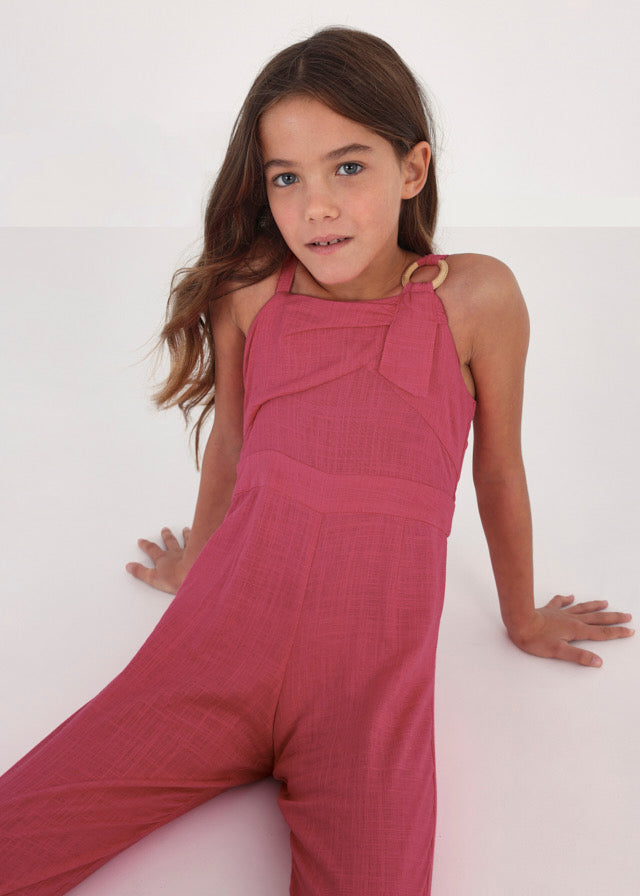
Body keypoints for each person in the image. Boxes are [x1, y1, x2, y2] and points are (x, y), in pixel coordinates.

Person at [0, 25, 634, 896]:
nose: (317, 208)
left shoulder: (476, 298)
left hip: (366, 700)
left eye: (348, 167)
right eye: (286, 178)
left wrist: (520, 617)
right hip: (212, 652)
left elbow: (499, 470)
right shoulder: (251, 291)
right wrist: (198, 559)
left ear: (412, 168)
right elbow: (231, 443)